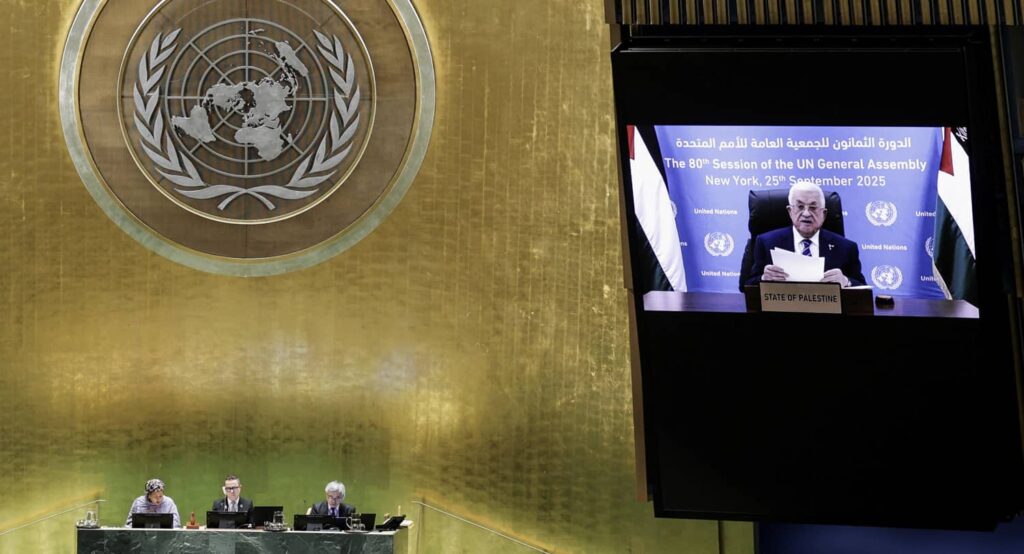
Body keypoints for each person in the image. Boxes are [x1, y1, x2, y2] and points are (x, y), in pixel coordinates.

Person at [745, 180, 865, 287]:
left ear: (824, 214)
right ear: (790, 211)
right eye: (800, 206)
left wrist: (846, 281)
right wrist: (764, 278)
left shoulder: (846, 248)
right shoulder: (766, 242)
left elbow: (862, 289)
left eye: (813, 207)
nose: (806, 213)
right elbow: (746, 286)